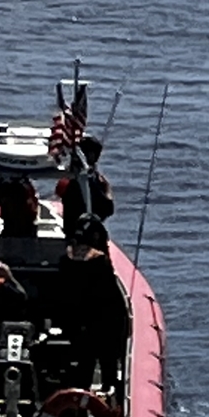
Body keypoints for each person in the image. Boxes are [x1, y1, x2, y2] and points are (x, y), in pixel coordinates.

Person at [58, 214, 126, 393]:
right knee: (107, 361)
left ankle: (81, 396)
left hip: (78, 319)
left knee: (84, 364)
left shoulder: (66, 260)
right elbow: (110, 294)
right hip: (101, 319)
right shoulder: (99, 261)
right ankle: (108, 391)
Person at [56, 135, 114, 240]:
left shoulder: (73, 179)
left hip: (73, 234)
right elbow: (108, 208)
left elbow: (59, 191)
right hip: (84, 236)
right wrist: (107, 189)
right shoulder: (89, 180)